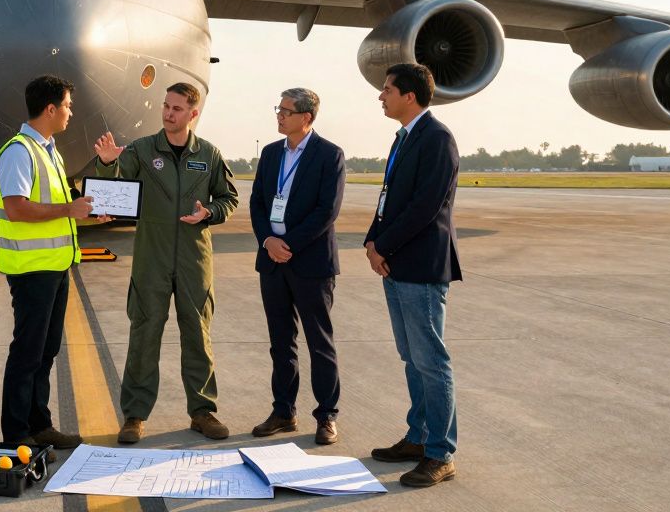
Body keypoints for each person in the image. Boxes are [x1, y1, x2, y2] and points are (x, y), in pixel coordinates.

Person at [93, 82, 239, 443]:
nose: (168, 113)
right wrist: (108, 162)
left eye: (176, 109)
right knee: (144, 333)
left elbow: (229, 198)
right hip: (151, 257)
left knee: (198, 335)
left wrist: (210, 212)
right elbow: (112, 187)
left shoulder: (209, 153)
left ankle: (203, 411)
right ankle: (135, 416)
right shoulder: (143, 150)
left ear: (193, 114)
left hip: (194, 257)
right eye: (166, 106)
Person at [0, 75, 105, 450]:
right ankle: (17, 434)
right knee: (27, 352)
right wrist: (69, 209)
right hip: (31, 269)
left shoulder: (50, 150)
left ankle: (40, 425)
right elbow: (17, 208)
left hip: (56, 266)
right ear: (51, 108)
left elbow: (60, 204)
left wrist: (87, 211)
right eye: (69, 106)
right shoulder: (19, 151)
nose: (72, 112)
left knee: (46, 351)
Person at [364, 62, 461, 488]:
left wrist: (384, 245)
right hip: (397, 262)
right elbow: (388, 197)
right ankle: (419, 437)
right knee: (411, 357)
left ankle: (441, 453)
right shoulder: (404, 138)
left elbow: (426, 207)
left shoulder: (437, 139)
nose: (381, 96)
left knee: (431, 361)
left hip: (420, 265)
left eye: (387, 89)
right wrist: (372, 240)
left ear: (409, 95)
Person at [249, 88, 345, 445]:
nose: (279, 116)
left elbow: (326, 210)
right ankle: (283, 411)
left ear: (306, 117)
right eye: (279, 109)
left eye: (286, 111)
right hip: (272, 262)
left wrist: (288, 244)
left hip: (310, 263)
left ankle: (326, 416)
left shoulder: (329, 155)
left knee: (319, 343)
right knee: (280, 342)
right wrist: (268, 241)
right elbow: (258, 202)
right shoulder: (271, 153)